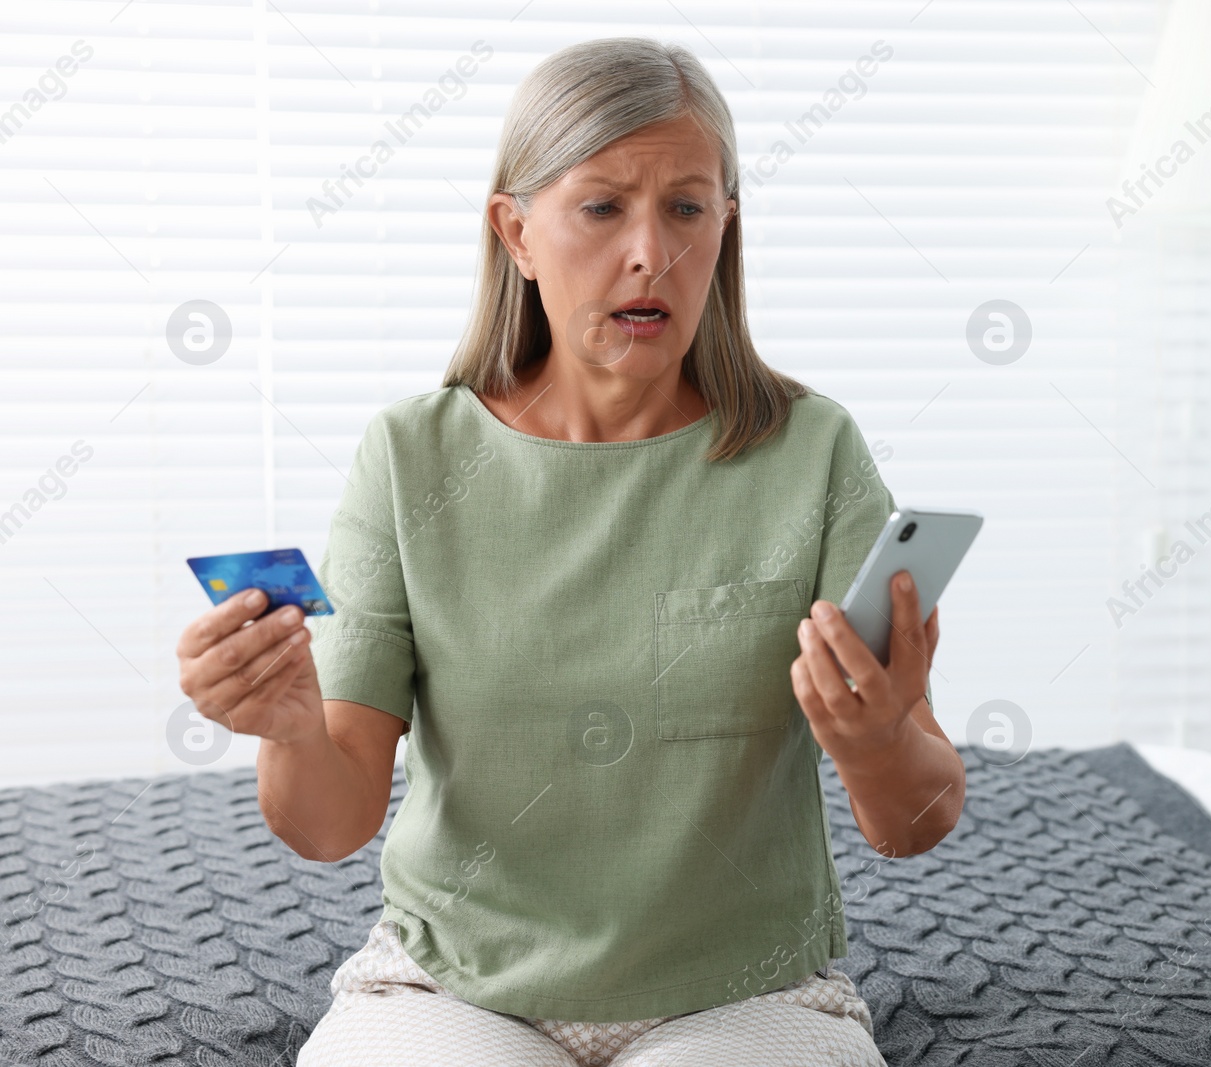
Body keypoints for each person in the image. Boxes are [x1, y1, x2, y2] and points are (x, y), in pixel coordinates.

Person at [174, 36, 965, 1067]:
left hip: (745, 990)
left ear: (725, 226)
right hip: (452, 983)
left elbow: (916, 818)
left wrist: (872, 742)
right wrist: (284, 724)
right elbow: (331, 824)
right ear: (516, 231)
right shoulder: (410, 457)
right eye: (602, 207)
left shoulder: (813, 452)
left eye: (687, 207)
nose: (652, 252)